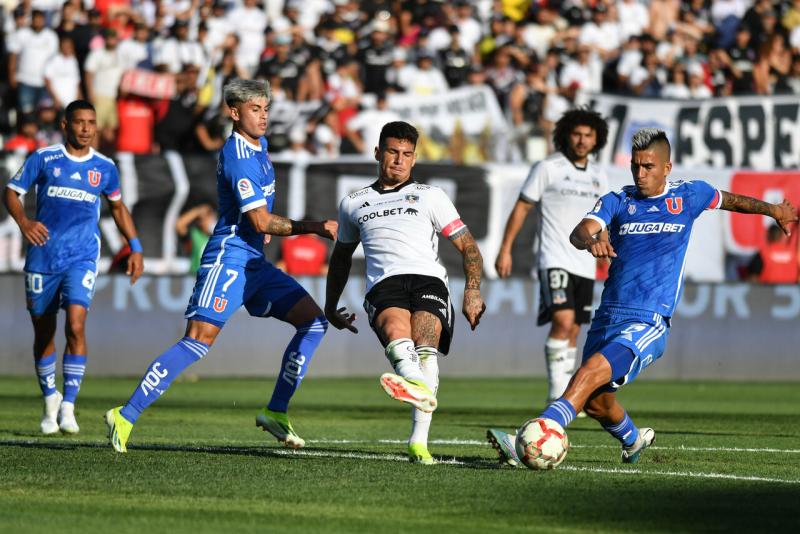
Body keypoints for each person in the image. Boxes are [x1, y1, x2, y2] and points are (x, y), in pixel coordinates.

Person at [487, 128, 798, 467]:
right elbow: (580, 231)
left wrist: (773, 211)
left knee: (590, 371)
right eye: (636, 166)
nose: (640, 173)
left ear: (667, 167)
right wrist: (591, 241)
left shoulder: (691, 195)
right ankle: (634, 440)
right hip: (608, 315)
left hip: (649, 319)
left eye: (648, 166)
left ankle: (539, 431)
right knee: (596, 404)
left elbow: (733, 201)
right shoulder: (618, 200)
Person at [105, 79, 338, 453]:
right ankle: (126, 414)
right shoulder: (238, 156)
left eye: (265, 109)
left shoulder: (259, 146)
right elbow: (261, 222)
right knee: (198, 340)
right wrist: (314, 227)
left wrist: (259, 231)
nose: (263, 117)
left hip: (254, 262)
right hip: (228, 258)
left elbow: (256, 222)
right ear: (234, 112)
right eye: (254, 110)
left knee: (313, 322)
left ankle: (276, 410)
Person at [325, 121, 486, 465]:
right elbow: (340, 258)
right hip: (384, 284)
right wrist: (329, 305)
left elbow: (468, 246)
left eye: (407, 155)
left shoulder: (431, 196)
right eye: (392, 152)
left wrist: (472, 290)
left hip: (429, 280)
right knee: (399, 336)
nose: (399, 160)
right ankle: (417, 387)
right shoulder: (354, 202)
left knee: (425, 348)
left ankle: (418, 441)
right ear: (377, 153)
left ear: (414, 159)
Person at [3, 100, 144, 435]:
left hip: (82, 257)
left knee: (76, 326)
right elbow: (11, 192)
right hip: (43, 257)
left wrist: (135, 246)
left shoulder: (105, 167)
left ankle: (69, 406)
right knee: (44, 331)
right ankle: (50, 397)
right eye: (79, 122)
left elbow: (118, 207)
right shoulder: (44, 158)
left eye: (91, 122)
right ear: (65, 125)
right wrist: (24, 221)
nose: (86, 128)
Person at [494, 108, 609, 409]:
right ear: (566, 135)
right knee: (563, 319)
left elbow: (604, 220)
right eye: (577, 134)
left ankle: (567, 397)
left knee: (573, 330)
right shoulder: (548, 167)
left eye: (588, 135)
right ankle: (557, 398)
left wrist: (606, 250)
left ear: (597, 139)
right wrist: (505, 249)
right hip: (553, 256)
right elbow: (522, 208)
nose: (582, 141)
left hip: (584, 262)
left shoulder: (600, 175)